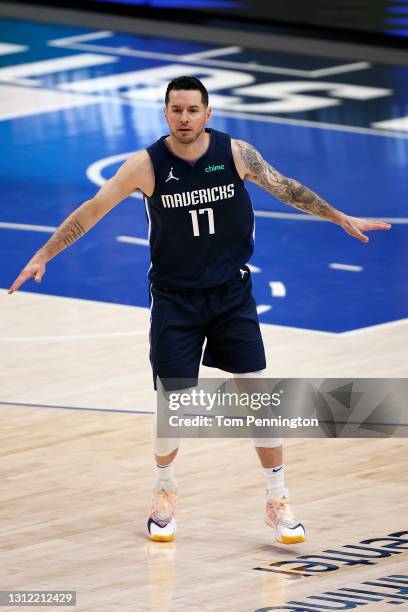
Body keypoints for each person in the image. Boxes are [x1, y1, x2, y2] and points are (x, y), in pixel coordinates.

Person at [8, 76, 391, 545]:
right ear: (165, 114)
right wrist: (45, 253)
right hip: (175, 297)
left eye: (193, 109)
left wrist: (339, 217)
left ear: (208, 113)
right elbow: (92, 209)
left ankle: (278, 499)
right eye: (176, 110)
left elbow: (286, 188)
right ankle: (164, 490)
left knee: (257, 392)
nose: (184, 117)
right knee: (175, 402)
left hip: (231, 292)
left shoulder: (235, 154)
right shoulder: (145, 166)